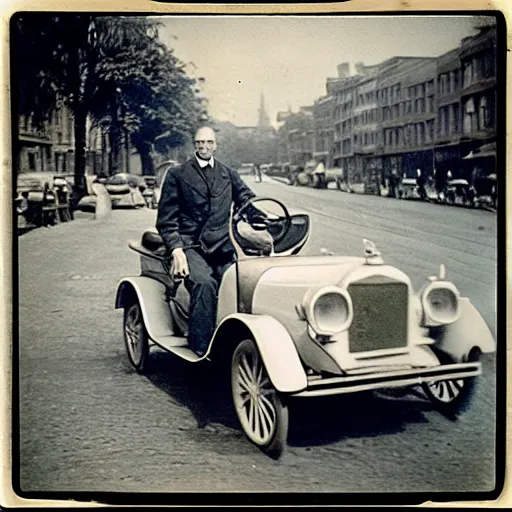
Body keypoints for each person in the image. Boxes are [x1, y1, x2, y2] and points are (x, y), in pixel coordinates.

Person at [156, 126, 256, 357]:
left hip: (222, 246)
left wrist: (267, 219)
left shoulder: (228, 173)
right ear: (194, 145)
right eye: (199, 143)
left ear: (215, 145)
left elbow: (247, 203)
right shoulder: (178, 174)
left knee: (244, 282)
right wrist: (177, 250)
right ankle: (202, 347)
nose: (204, 147)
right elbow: (166, 220)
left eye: (209, 142)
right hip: (190, 245)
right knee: (203, 284)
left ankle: (237, 340)